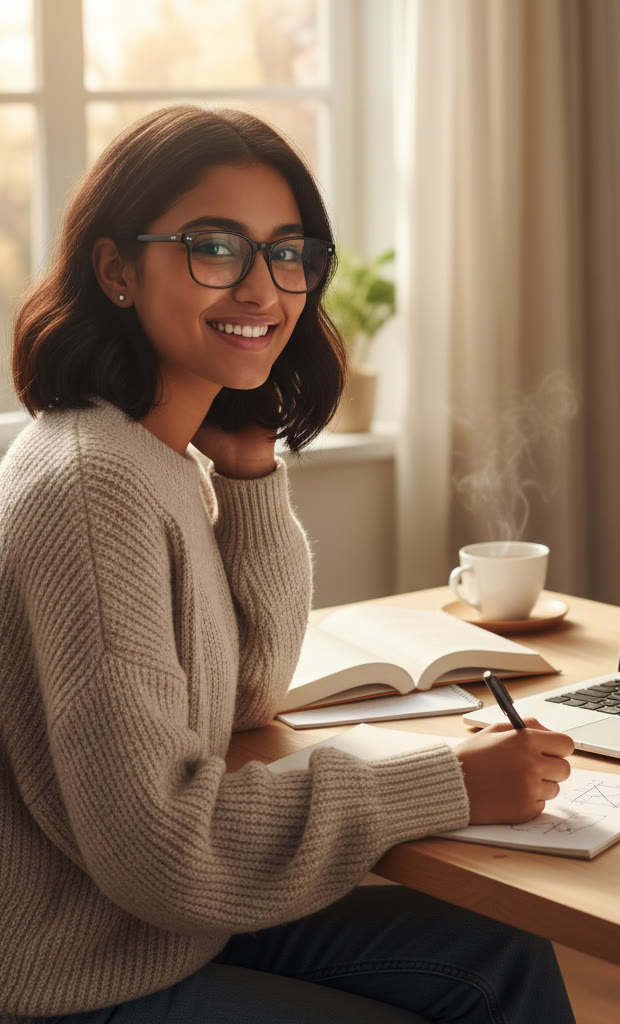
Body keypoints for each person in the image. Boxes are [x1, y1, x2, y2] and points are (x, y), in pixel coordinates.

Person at [0, 104, 576, 1023]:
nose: (263, 288)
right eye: (215, 248)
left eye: (289, 251)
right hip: (78, 972)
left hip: (147, 926)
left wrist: (251, 475)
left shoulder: (152, 454)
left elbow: (243, 697)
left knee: (500, 956)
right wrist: (447, 782)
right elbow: (162, 850)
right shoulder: (92, 488)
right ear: (116, 269)